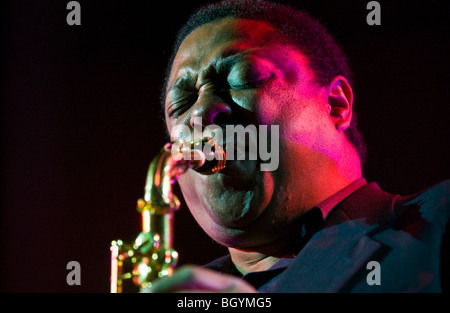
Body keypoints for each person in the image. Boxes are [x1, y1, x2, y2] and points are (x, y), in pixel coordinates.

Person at [145, 0, 449, 292]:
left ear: (335, 104)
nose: (200, 111)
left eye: (243, 77)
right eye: (182, 102)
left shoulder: (440, 218)